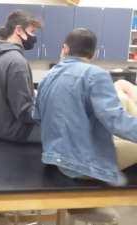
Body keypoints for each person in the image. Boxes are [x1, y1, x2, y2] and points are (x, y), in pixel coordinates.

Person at [33, 28, 137, 186]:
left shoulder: (48, 75)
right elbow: (116, 122)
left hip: (53, 155)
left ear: (65, 49)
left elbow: (37, 116)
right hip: (80, 165)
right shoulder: (97, 74)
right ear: (93, 54)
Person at [0, 11, 42, 142]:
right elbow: (24, 112)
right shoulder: (17, 62)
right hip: (13, 131)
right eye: (32, 31)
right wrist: (47, 110)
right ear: (19, 30)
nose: (33, 37)